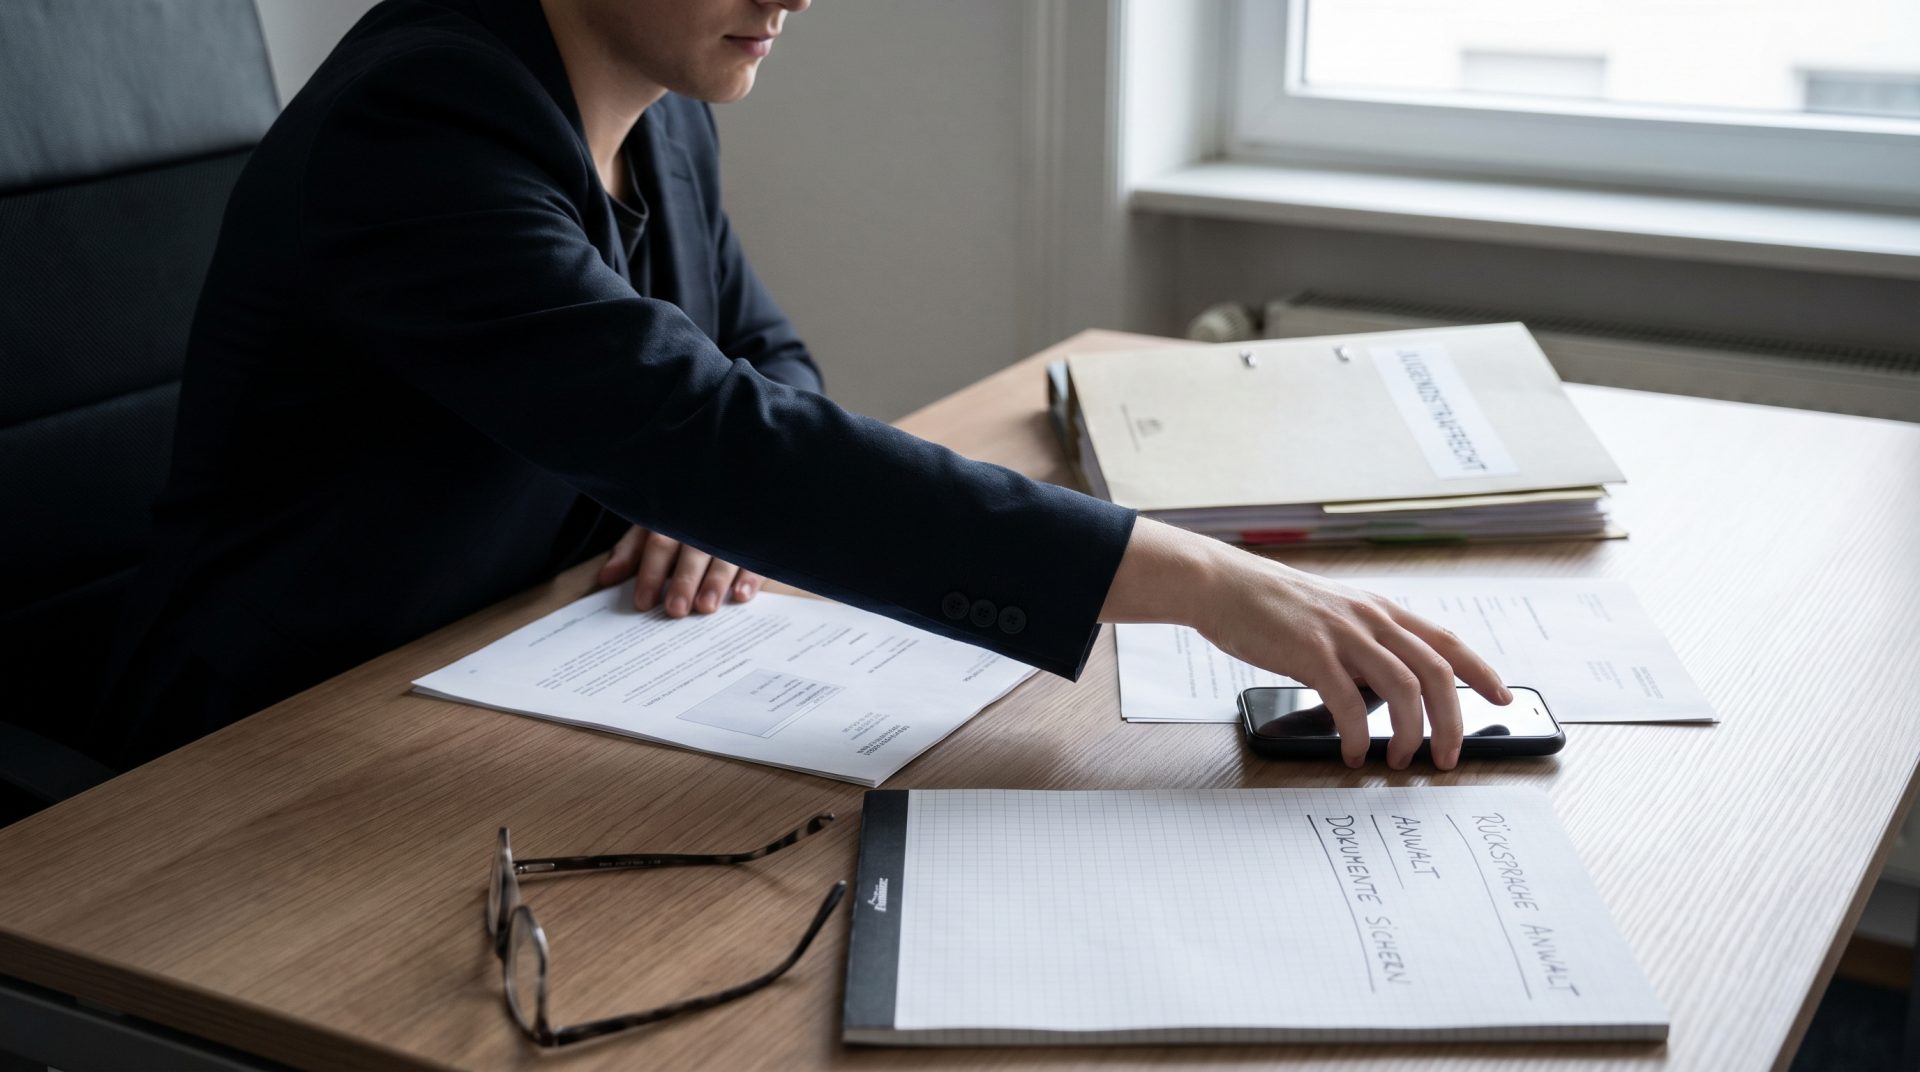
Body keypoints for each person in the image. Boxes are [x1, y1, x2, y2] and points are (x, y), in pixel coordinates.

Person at [95, 0, 1508, 771]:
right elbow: (722, 426)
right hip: (270, 739)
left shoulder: (663, 109)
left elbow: (765, 365)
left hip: (517, 665)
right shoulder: (422, 127)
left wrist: (694, 498)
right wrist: (1200, 582)